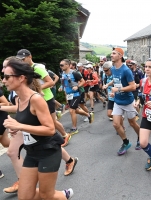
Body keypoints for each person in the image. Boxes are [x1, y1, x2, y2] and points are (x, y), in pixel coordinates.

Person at [2, 59, 73, 200]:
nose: (4, 81)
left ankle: (63, 195)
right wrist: (15, 126)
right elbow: (28, 118)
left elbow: (50, 129)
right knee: (24, 196)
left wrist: (20, 126)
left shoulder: (36, 99)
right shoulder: (18, 99)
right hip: (31, 152)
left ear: (21, 78)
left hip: (48, 152)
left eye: (7, 77)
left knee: (47, 195)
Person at [16, 49, 71, 147]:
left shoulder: (37, 68)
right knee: (42, 122)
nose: (22, 61)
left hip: (46, 98)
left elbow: (50, 82)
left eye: (23, 59)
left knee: (51, 122)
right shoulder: (26, 69)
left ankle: (65, 135)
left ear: (30, 57)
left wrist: (36, 89)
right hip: (37, 99)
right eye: (20, 59)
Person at [103, 47, 141, 154]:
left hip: (128, 101)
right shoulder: (113, 69)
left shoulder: (126, 70)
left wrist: (118, 89)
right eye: (111, 53)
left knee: (132, 123)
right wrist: (110, 87)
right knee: (115, 124)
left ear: (120, 56)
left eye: (114, 53)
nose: (111, 55)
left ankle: (140, 137)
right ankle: (126, 142)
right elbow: (116, 81)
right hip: (118, 101)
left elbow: (133, 87)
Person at [58, 59, 94, 134]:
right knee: (76, 110)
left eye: (62, 65)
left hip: (76, 94)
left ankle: (74, 128)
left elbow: (83, 81)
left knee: (71, 110)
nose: (60, 66)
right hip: (69, 95)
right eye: (60, 65)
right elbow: (63, 82)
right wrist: (61, 86)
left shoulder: (74, 73)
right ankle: (88, 114)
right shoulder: (63, 73)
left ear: (68, 65)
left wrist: (77, 86)